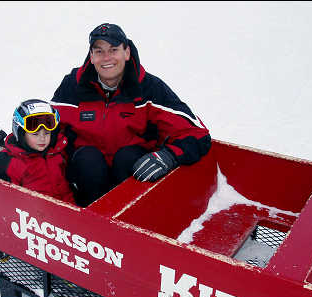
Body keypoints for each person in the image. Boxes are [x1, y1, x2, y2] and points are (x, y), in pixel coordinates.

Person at [51, 23, 211, 207]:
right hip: (87, 178)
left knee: (127, 157)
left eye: (113, 50)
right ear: (92, 56)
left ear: (126, 53)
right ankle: (89, 220)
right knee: (88, 158)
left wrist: (168, 156)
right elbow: (50, 129)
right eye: (99, 51)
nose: (106, 58)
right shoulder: (73, 86)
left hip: (132, 174)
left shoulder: (148, 87)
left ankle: (133, 220)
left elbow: (196, 133)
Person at [0, 99, 75, 204]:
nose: (42, 139)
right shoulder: (11, 163)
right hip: (34, 216)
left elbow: (66, 190)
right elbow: (7, 204)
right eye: (35, 134)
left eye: (47, 133)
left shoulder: (56, 152)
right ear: (22, 134)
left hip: (69, 210)